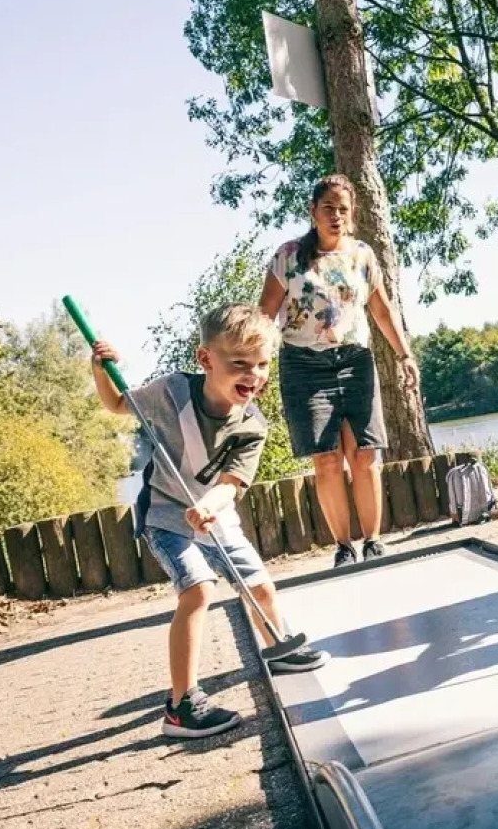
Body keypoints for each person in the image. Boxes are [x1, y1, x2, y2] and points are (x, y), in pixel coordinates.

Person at [88, 305, 328, 739]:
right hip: (166, 517)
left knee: (260, 585)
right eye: (239, 364)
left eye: (261, 364)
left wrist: (212, 506)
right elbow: (117, 404)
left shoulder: (253, 425)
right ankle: (181, 707)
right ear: (206, 360)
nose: (253, 375)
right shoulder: (172, 394)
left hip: (216, 514)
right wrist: (101, 370)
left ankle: (280, 646)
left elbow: (233, 483)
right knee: (198, 590)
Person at [259, 174, 421, 567]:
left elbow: (381, 311)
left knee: (363, 454)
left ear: (352, 215)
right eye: (328, 207)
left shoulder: (362, 255)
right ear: (313, 211)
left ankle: (373, 541)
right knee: (327, 459)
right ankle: (344, 547)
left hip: (354, 360)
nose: (336, 215)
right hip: (303, 365)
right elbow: (265, 315)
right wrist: (257, 367)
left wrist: (405, 355)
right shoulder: (289, 256)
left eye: (343, 209)